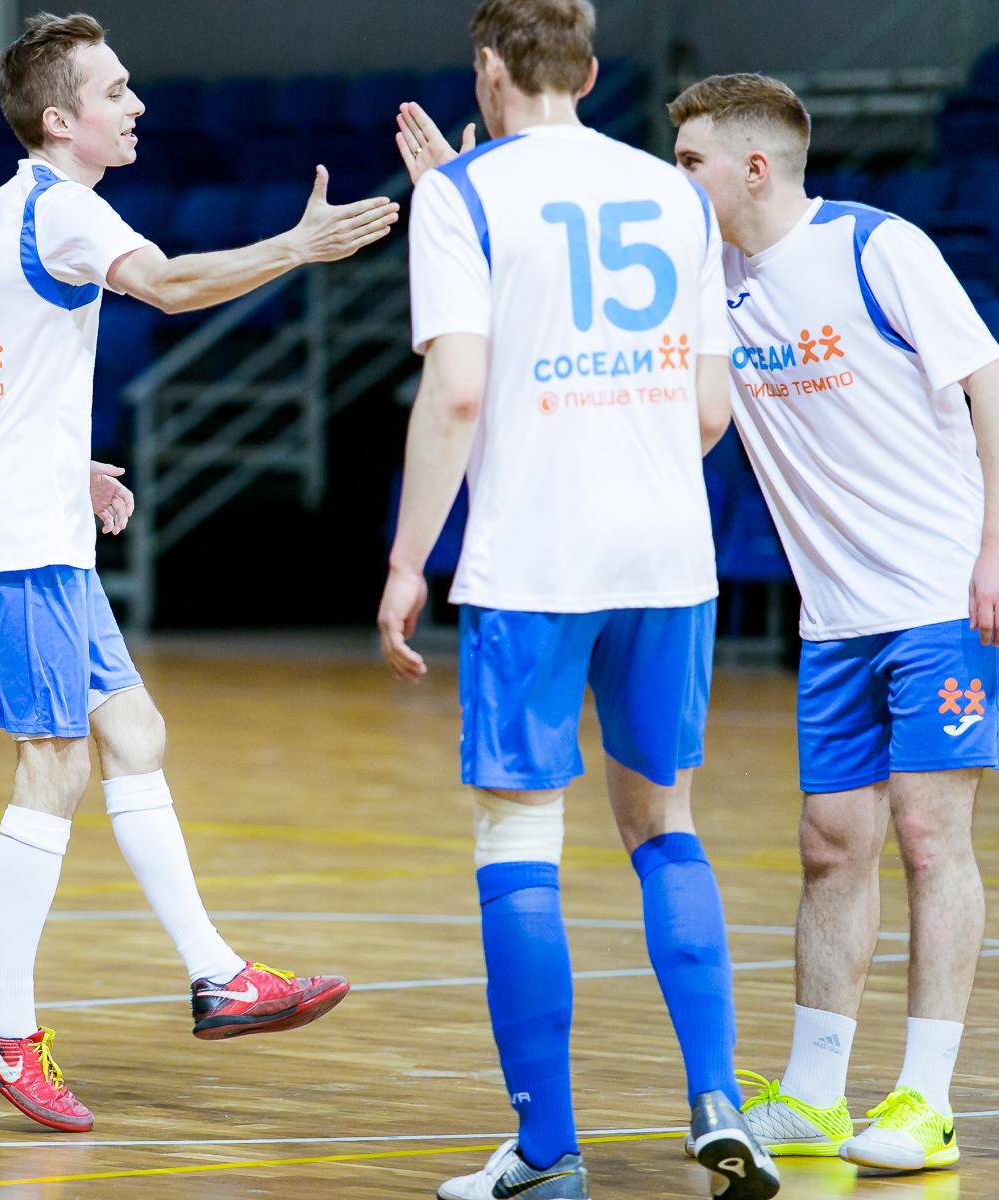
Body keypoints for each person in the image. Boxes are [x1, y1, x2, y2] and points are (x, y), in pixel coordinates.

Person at [0, 11, 397, 1133]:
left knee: (134, 736)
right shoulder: (64, 209)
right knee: (55, 766)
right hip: (18, 538)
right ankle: (5, 1023)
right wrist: (295, 248)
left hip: (33, 518)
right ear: (62, 120)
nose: (136, 104)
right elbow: (173, 285)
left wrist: (65, 462)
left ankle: (218, 975)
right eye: (115, 90)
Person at [380, 3, 777, 1197]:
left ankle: (548, 1151)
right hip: (667, 556)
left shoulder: (462, 196)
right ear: (593, 72)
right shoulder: (674, 194)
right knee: (665, 824)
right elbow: (709, 411)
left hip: (537, 559)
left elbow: (458, 392)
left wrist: (407, 560)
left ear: (488, 70)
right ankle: (719, 1099)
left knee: (518, 838)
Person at [669, 72, 999, 1174]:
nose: (677, 180)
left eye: (691, 162)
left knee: (929, 838)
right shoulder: (709, 280)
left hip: (938, 598)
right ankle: (814, 1096)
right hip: (835, 618)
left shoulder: (876, 247)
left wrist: (997, 548)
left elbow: (989, 382)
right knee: (830, 845)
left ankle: (926, 1101)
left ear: (755, 167)